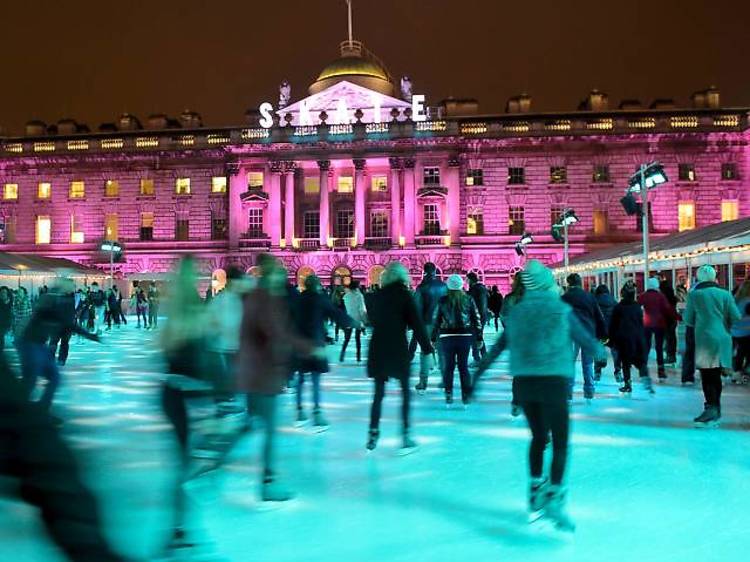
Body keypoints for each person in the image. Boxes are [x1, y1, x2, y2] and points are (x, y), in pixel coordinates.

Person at [475, 260, 604, 532]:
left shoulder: (519, 312)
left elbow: (499, 346)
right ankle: (555, 495)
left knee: (538, 437)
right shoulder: (560, 309)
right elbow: (583, 339)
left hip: (525, 384)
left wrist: (478, 375)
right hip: (554, 381)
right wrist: (599, 351)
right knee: (560, 441)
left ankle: (535, 488)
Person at [236, 255, 319, 501]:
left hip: (253, 373)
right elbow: (278, 334)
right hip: (263, 375)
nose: (282, 279)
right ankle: (268, 483)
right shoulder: (265, 299)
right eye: (278, 274)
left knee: (251, 425)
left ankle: (212, 462)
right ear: (270, 274)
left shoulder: (253, 297)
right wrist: (310, 348)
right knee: (268, 431)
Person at [366, 262, 433, 453]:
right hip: (397, 348)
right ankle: (405, 435)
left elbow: (371, 319)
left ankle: (373, 431)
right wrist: (428, 349)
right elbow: (417, 325)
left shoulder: (376, 296)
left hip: (378, 348)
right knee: (404, 393)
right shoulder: (404, 295)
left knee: (378, 394)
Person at [18, 277, 101, 418]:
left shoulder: (61, 299)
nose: (73, 287)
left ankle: (41, 409)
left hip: (39, 344)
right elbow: (61, 319)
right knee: (31, 379)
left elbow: (67, 322)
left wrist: (90, 335)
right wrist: (89, 335)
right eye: (70, 285)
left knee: (54, 377)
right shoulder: (50, 298)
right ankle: (18, 411)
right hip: (29, 343)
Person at [684, 265, 740, 427]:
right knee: (716, 375)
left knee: (708, 376)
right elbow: (735, 316)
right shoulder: (725, 294)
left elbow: (688, 319)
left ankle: (711, 408)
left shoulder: (695, 295)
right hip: (723, 338)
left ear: (699, 277)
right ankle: (716, 409)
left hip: (705, 339)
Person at [295, 274, 353, 427]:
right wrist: (351, 321)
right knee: (315, 379)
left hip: (300, 343)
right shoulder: (320, 299)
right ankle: (316, 411)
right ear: (317, 285)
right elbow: (335, 313)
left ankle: (300, 410)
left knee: (301, 378)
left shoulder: (298, 299)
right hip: (314, 343)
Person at [433, 274, 481, 406]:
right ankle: (465, 395)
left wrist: (433, 337)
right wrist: (479, 337)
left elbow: (436, 319)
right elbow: (476, 319)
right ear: (461, 286)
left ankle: (449, 394)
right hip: (464, 336)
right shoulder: (468, 299)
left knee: (448, 367)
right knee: (463, 367)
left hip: (446, 337)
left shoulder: (443, 300)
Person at [561, 273, 606, 400]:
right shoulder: (589, 297)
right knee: (587, 363)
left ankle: (568, 392)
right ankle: (589, 390)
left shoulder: (564, 298)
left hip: (570, 335)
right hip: (588, 334)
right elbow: (599, 317)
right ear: (580, 283)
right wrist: (603, 335)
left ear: (569, 284)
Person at [608, 282, 655, 395]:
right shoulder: (637, 307)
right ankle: (645, 378)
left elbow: (613, 325)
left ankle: (628, 384)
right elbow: (640, 322)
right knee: (640, 361)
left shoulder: (618, 308)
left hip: (623, 339)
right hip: (637, 337)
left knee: (625, 363)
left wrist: (611, 340)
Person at [410, 262, 447, 393]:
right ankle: (445, 380)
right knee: (442, 352)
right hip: (442, 323)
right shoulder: (444, 286)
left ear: (425, 271)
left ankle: (423, 381)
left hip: (427, 323)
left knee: (425, 352)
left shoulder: (422, 287)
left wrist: (415, 324)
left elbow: (416, 307)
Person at [638, 277, 678, 381]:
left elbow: (637, 306)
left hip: (647, 323)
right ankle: (661, 371)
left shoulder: (643, 296)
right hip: (660, 324)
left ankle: (643, 369)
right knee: (659, 348)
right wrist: (678, 317)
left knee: (646, 347)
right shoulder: (660, 296)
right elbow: (667, 308)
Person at [593, 284, 620, 382]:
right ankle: (618, 372)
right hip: (612, 332)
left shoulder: (594, 302)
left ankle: (597, 372)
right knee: (615, 352)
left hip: (600, 332)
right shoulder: (614, 302)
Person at [340, 279, 368, 363]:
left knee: (347, 338)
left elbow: (344, 308)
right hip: (357, 319)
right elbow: (362, 310)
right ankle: (358, 356)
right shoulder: (359, 296)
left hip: (349, 318)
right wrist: (365, 320)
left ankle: (342, 354)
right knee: (357, 339)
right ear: (357, 286)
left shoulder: (346, 296)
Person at [730, 279, 750, 384]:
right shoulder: (748, 301)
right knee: (743, 352)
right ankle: (741, 371)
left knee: (740, 352)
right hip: (746, 332)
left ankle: (736, 372)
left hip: (735, 330)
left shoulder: (735, 299)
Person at [467, 271, 489, 361]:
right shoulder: (482, 288)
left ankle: (477, 358)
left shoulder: (474, 289)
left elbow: (470, 303)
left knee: (474, 337)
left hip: (476, 316)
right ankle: (483, 355)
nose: (466, 281)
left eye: (467, 279)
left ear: (471, 280)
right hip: (482, 315)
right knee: (479, 335)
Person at [660, 279, 679, 364]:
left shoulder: (664, 298)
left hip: (666, 320)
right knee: (672, 338)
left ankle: (669, 356)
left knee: (668, 338)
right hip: (672, 320)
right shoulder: (672, 298)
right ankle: (671, 355)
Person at [0, 286, 13, 351]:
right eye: (1, 292)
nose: (3, 294)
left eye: (4, 292)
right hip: (1, 321)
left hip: (6, 322)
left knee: (1, 335)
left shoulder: (10, 301)